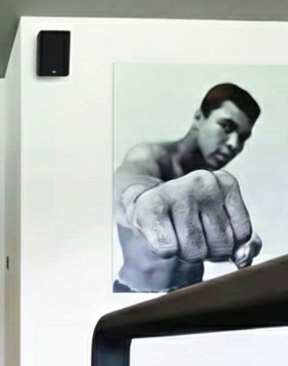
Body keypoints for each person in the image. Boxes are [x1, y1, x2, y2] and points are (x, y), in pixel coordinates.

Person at [112, 82, 263, 293]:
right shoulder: (149, 155)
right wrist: (139, 197)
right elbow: (126, 183)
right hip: (137, 296)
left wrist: (241, 241)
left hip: (191, 295)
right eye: (227, 127)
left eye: (243, 137)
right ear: (198, 118)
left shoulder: (210, 185)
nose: (234, 144)